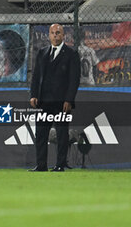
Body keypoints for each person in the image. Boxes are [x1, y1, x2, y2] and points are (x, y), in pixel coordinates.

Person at [29, 24, 81, 172]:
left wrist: (69, 100)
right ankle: (41, 165)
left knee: (62, 134)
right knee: (41, 134)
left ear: (63, 35)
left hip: (61, 102)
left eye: (58, 33)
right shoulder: (42, 53)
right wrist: (33, 95)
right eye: (52, 33)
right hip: (43, 101)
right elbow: (36, 76)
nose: (55, 35)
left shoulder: (71, 54)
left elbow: (74, 80)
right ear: (49, 35)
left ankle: (60, 164)